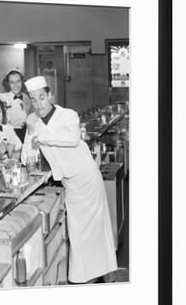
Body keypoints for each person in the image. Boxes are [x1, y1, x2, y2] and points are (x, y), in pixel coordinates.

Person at [20, 76, 117, 283]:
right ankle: (84, 279)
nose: (38, 105)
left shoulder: (67, 115)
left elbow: (73, 139)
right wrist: (30, 132)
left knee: (94, 232)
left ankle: (98, 277)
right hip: (70, 183)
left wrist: (43, 137)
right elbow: (26, 159)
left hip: (87, 179)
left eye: (42, 98)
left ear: (50, 96)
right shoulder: (34, 123)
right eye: (34, 100)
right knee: (78, 234)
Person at [0, 69, 32, 143]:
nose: (16, 85)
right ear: (8, 84)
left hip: (26, 133)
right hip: (11, 134)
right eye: (12, 82)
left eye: (18, 81)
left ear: (22, 82)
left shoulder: (25, 97)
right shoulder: (3, 98)